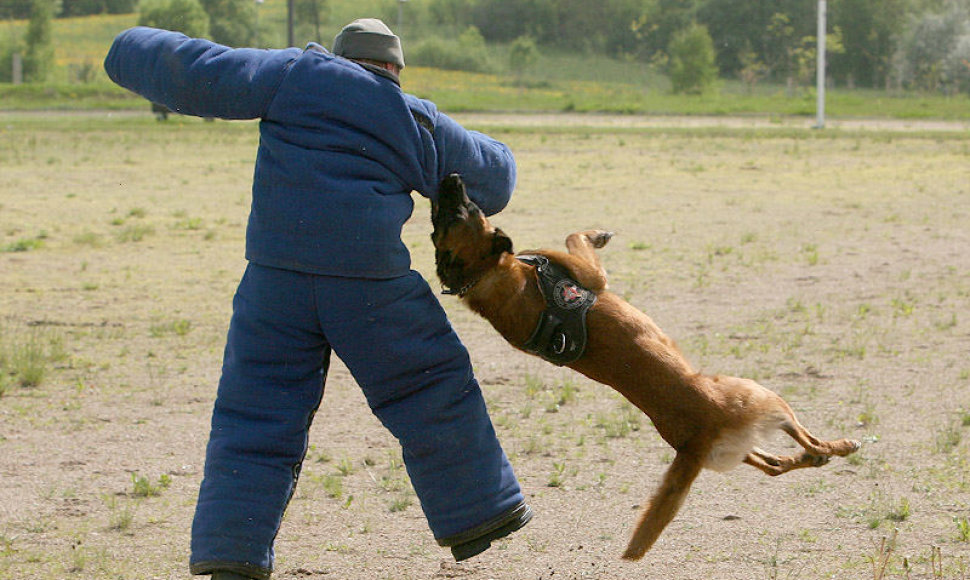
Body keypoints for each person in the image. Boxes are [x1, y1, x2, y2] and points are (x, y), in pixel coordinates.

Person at [104, 19, 531, 580]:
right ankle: (480, 514)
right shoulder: (411, 115)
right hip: (371, 284)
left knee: (254, 416)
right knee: (431, 385)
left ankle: (231, 552)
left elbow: (194, 70)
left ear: (338, 57)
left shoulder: (290, 75)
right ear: (393, 70)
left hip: (273, 284)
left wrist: (127, 45)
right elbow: (495, 180)